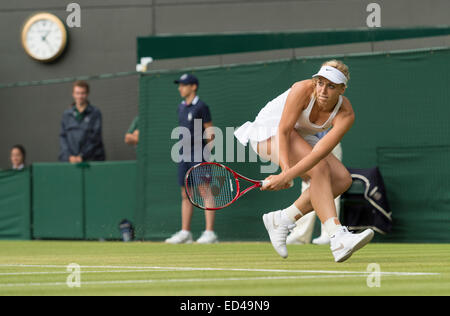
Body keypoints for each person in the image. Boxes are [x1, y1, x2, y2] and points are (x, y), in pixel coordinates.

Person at [234, 60, 374, 262]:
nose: (323, 90)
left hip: (300, 136)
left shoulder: (346, 114)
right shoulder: (302, 89)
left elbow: (318, 153)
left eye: (331, 86)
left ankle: (282, 219)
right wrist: (285, 171)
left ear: (342, 89)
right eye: (320, 83)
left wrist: (287, 176)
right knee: (320, 170)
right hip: (269, 132)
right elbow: (283, 130)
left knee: (342, 179)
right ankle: (337, 237)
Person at [165, 74, 218, 244]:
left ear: (193, 86)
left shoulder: (202, 106)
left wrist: (207, 153)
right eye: (179, 85)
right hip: (183, 154)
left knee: (204, 191)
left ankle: (210, 233)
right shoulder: (181, 107)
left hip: (199, 154)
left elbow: (210, 132)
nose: (180, 88)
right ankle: (185, 232)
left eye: (184, 85)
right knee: (185, 193)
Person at [286, 131, 343, 245]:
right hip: (306, 143)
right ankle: (300, 235)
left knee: (330, 187)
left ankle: (330, 233)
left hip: (328, 141)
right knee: (307, 186)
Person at [59, 81, 106, 163]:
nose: (80, 96)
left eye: (83, 93)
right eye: (77, 93)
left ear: (87, 94)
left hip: (91, 161)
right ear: (73, 94)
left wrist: (82, 156)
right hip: (69, 161)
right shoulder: (66, 114)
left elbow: (96, 138)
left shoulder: (95, 113)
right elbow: (63, 137)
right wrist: (69, 156)